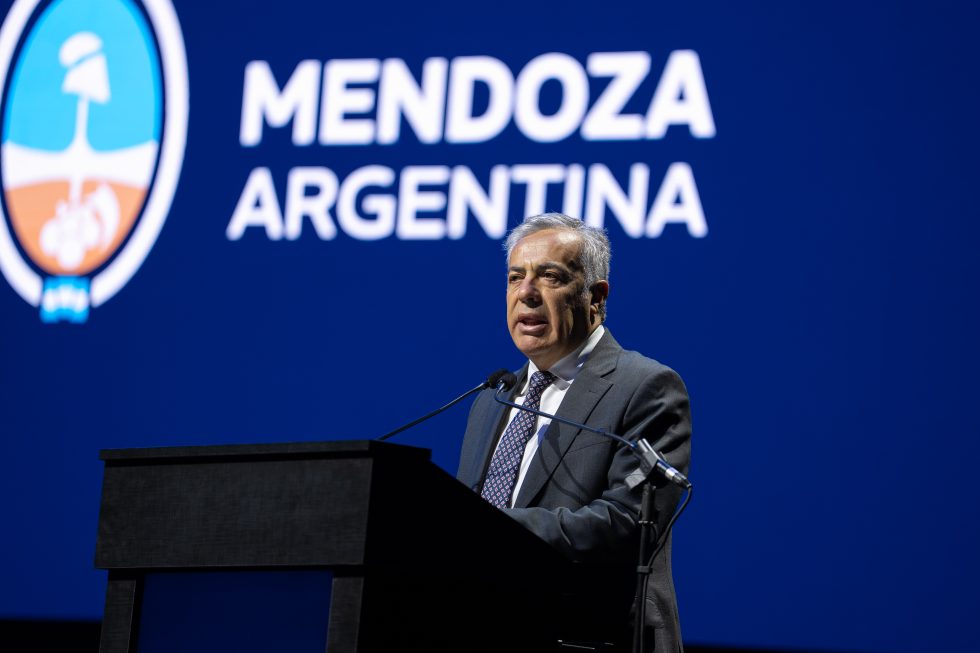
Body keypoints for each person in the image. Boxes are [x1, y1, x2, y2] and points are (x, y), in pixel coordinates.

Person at [457, 213, 692, 652]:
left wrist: (483, 529)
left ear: (596, 298)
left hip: (591, 636)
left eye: (550, 277)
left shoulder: (645, 387)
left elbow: (626, 524)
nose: (526, 293)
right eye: (515, 277)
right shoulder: (492, 399)